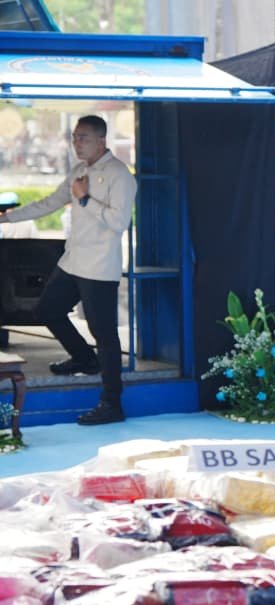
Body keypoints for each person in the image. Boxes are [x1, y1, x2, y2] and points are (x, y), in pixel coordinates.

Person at [0, 115, 136, 425]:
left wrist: (85, 199)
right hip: (73, 261)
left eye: (83, 137)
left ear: (102, 140)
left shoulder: (120, 175)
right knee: (47, 310)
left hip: (99, 266)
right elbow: (49, 203)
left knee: (105, 335)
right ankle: (85, 359)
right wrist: (6, 218)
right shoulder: (79, 171)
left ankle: (112, 404)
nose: (77, 143)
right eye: (75, 137)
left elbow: (118, 223)